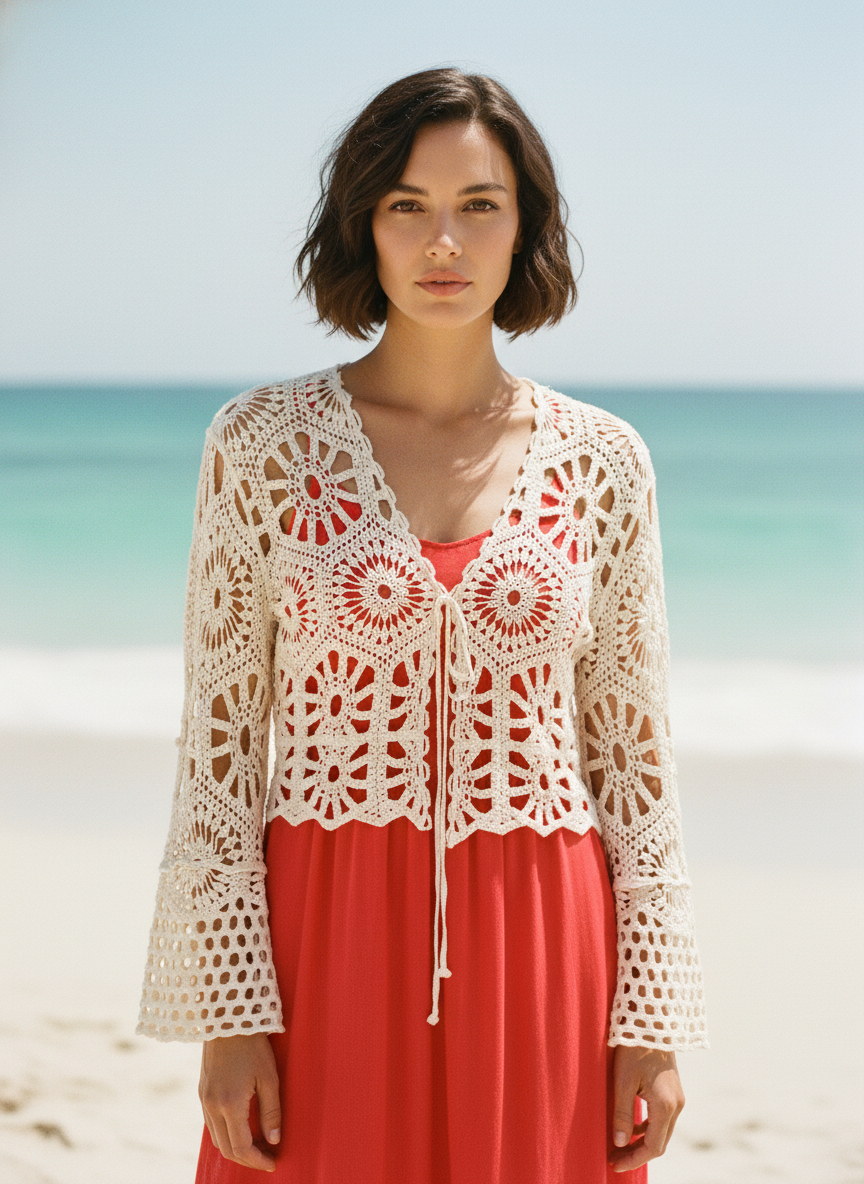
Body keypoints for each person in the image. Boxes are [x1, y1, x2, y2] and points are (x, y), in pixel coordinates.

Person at [138, 68, 707, 1183]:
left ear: (524, 227)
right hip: (324, 933)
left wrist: (652, 1009)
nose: (443, 239)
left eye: (479, 204)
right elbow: (218, 750)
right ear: (366, 225)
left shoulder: (603, 461)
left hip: (545, 940)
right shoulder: (261, 444)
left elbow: (636, 760)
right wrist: (230, 1006)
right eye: (408, 204)